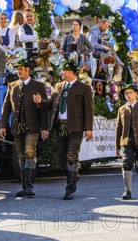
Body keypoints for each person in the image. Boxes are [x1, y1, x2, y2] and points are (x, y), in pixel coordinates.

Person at [34, 59, 93, 200]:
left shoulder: (83, 88)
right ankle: (74, 176)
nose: (61, 73)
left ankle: (70, 189)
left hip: (75, 127)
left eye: (63, 71)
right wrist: (40, 101)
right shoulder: (59, 86)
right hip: (60, 126)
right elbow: (51, 104)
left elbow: (89, 110)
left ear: (71, 72)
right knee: (60, 161)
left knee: (72, 157)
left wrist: (89, 129)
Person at [0, 59, 48, 197]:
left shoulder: (38, 85)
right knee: (20, 155)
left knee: (29, 152)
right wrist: (3, 125)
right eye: (17, 69)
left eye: (21, 69)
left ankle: (30, 186)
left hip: (32, 126)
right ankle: (24, 186)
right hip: (17, 127)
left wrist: (45, 128)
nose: (18, 71)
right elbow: (6, 107)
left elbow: (44, 109)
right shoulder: (13, 85)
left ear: (28, 70)